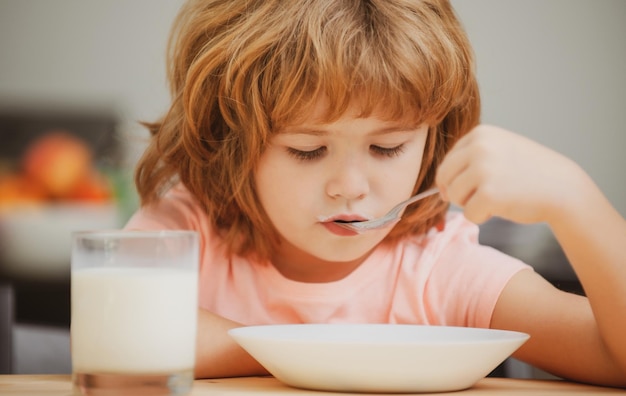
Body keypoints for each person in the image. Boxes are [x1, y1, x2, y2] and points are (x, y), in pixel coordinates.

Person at [125, 0, 626, 387]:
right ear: (228, 137)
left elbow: (615, 356)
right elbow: (122, 334)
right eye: (306, 149)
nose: (350, 187)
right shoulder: (185, 225)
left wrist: (576, 200)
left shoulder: (439, 270)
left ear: (434, 137)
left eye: (387, 148)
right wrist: (318, 350)